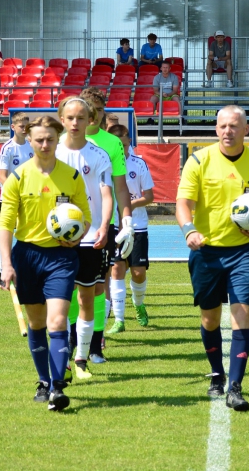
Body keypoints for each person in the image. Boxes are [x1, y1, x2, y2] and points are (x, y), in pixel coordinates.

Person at [176, 105, 249, 411]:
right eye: (222, 126)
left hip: (244, 252)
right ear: (216, 128)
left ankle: (235, 387)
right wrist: (189, 231)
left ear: (246, 130)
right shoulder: (199, 160)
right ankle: (217, 373)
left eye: (234, 126)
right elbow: (183, 202)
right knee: (209, 318)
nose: (227, 131)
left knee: (242, 314)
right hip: (205, 252)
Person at [0, 115, 92, 411]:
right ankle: (43, 380)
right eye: (39, 139)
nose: (44, 144)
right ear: (30, 138)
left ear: (58, 138)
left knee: (57, 321)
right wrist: (6, 263)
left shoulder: (72, 176)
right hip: (26, 255)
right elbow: (5, 223)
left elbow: (85, 218)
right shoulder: (18, 177)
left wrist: (77, 238)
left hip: (61, 257)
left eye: (50, 139)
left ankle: (57, 386)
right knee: (36, 323)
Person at [55, 96, 115, 379]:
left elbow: (106, 193)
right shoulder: (50, 152)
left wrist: (104, 226)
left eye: (81, 118)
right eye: (70, 118)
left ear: (89, 120)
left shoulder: (98, 155)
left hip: (90, 237)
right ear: (62, 120)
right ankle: (63, 355)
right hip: (56, 239)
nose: (75, 123)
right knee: (59, 301)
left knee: (86, 299)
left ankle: (80, 359)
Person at [79, 88, 135, 357]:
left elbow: (121, 186)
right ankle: (71, 341)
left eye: (98, 110)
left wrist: (126, 219)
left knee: (99, 284)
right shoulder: (62, 140)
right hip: (67, 227)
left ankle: (96, 343)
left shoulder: (111, 144)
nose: (92, 115)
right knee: (69, 286)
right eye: (88, 108)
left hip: (103, 225)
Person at [106, 124, 154, 332]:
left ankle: (138, 304)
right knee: (116, 269)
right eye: (119, 146)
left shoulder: (139, 164)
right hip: (112, 226)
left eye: (125, 145)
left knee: (138, 273)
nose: (123, 150)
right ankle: (119, 320)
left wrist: (127, 205)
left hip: (137, 226)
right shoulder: (104, 164)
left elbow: (150, 197)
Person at [0, 113, 33, 283]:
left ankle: (25, 270)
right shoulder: (8, 148)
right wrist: (15, 193)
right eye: (21, 126)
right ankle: (3, 273)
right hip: (10, 199)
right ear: (13, 127)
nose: (25, 129)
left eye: (27, 126)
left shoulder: (32, 147)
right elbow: (2, 176)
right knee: (6, 235)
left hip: (29, 199)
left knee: (28, 235)